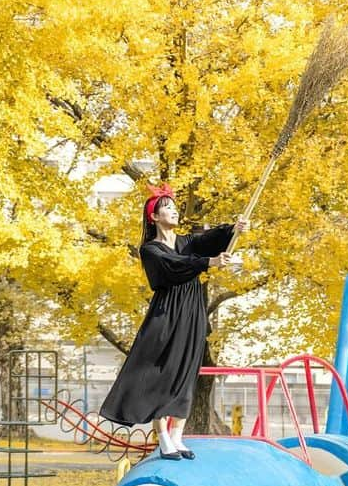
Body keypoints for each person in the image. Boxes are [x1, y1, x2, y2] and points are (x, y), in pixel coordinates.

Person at [99, 184, 248, 460]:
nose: (175, 211)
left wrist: (232, 229)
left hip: (193, 314)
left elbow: (207, 240)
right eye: (167, 207)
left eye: (175, 207)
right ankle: (163, 436)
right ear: (153, 216)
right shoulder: (150, 250)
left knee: (188, 372)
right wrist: (209, 263)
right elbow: (174, 266)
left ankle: (178, 436)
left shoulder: (186, 242)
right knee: (163, 373)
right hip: (166, 316)